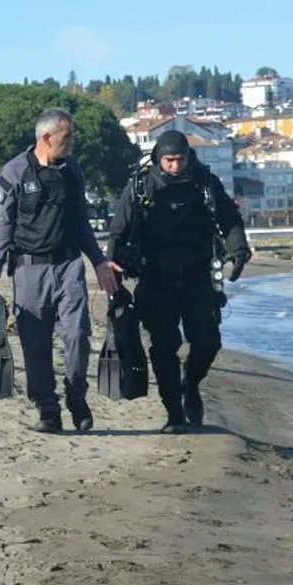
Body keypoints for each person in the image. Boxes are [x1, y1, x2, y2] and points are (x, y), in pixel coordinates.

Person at [0, 107, 121, 433]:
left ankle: (76, 396)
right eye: (66, 138)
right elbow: (5, 225)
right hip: (29, 270)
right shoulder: (15, 172)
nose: (71, 144)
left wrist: (99, 261)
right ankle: (47, 409)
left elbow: (81, 222)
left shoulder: (72, 170)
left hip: (68, 265)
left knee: (78, 334)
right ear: (46, 138)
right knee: (35, 344)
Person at [106, 130, 251, 433]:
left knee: (208, 342)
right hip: (155, 277)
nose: (175, 166)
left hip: (197, 277)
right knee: (163, 347)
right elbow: (118, 231)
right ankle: (174, 412)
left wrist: (239, 251)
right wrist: (114, 271)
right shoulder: (141, 186)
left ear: (188, 157)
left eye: (180, 159)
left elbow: (229, 219)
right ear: (159, 158)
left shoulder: (204, 183)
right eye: (169, 160)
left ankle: (192, 382)